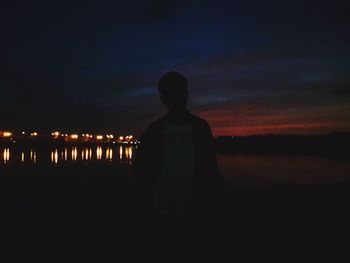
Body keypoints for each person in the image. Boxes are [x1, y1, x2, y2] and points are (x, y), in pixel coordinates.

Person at [133, 71, 223, 226]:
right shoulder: (155, 131)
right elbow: (141, 175)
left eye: (179, 91)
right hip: (162, 211)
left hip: (195, 211)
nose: (178, 96)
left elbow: (211, 171)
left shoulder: (199, 128)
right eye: (173, 92)